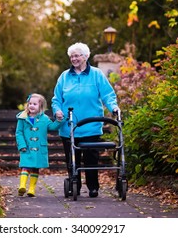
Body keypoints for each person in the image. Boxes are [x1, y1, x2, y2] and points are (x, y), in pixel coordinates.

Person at [51, 42, 119, 198]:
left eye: (77, 55)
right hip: (69, 126)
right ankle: (75, 184)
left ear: (86, 56)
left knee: (91, 159)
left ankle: (93, 187)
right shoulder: (64, 76)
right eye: (71, 56)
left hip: (91, 124)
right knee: (72, 158)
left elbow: (108, 94)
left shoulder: (96, 74)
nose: (74, 59)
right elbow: (56, 99)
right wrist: (58, 111)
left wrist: (114, 107)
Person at [16, 93, 63, 197]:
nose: (31, 106)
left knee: (35, 168)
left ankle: (31, 189)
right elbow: (19, 133)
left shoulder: (44, 119)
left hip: (38, 148)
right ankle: (22, 186)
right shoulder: (22, 118)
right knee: (25, 166)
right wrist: (22, 145)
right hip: (27, 147)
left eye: (35, 104)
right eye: (30, 103)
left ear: (40, 107)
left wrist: (59, 120)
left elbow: (52, 127)